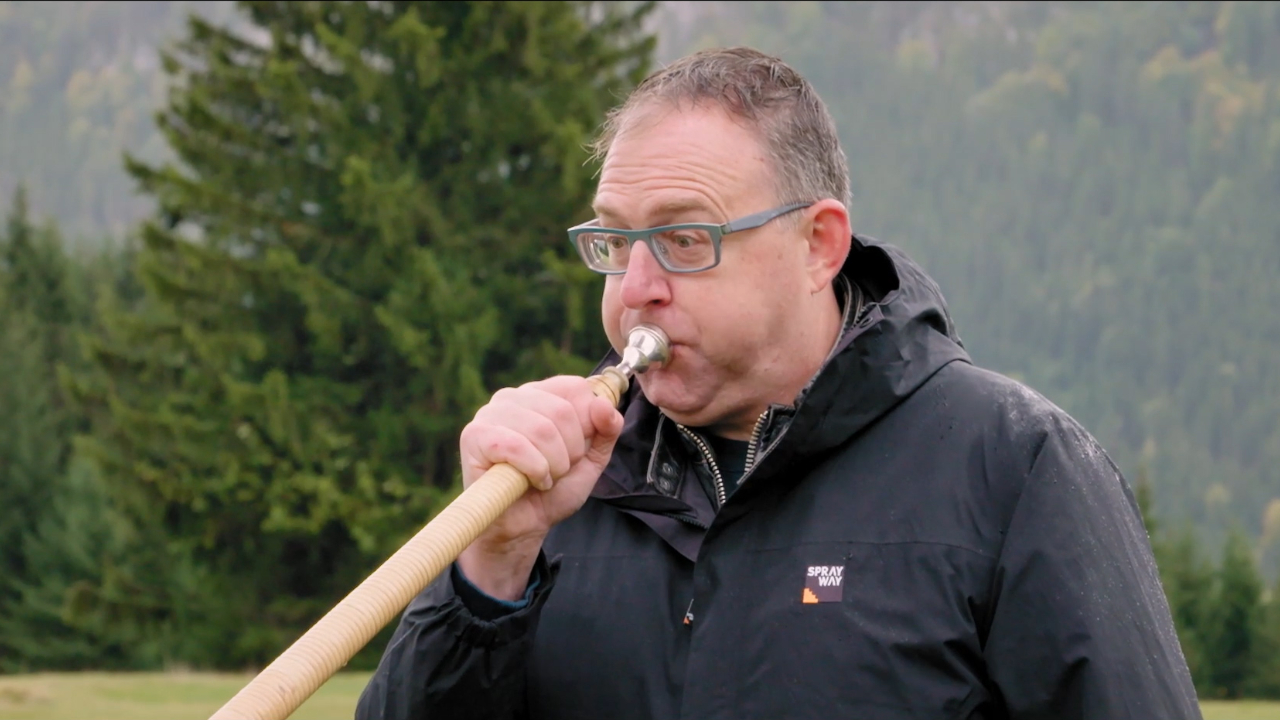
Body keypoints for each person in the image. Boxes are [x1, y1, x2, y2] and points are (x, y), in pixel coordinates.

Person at [355, 47, 1201, 720]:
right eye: (614, 242)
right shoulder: (552, 484)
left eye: (684, 240)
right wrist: (492, 569)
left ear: (818, 245)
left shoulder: (1016, 463)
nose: (636, 288)